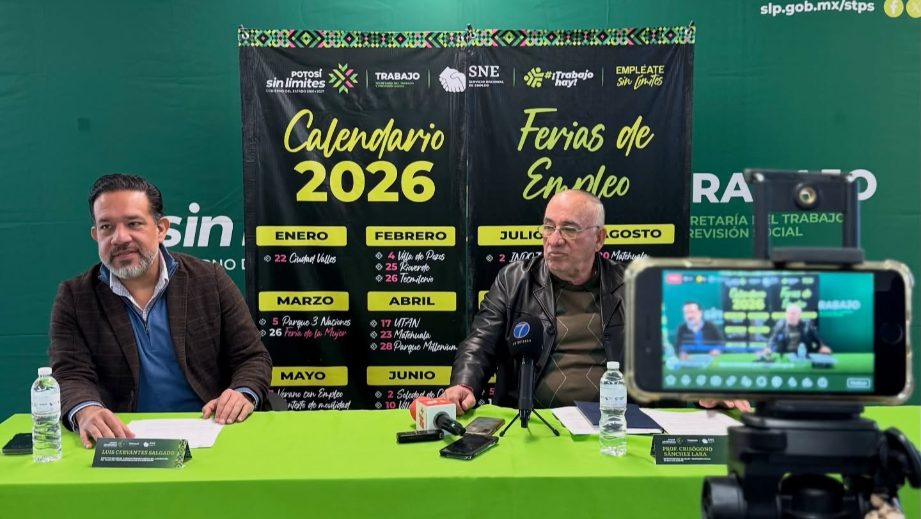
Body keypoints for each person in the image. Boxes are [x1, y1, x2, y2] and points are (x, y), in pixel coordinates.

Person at [444, 190, 749, 414]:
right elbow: (480, 342)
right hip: (533, 424)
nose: (554, 239)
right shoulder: (514, 280)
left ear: (599, 239)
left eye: (569, 229)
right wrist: (464, 384)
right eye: (549, 226)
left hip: (617, 425)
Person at [48, 174, 272, 449]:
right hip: (123, 442)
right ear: (96, 235)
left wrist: (241, 393)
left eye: (133, 223)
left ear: (161, 229)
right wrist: (86, 410)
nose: (120, 238)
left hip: (213, 430)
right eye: (107, 227)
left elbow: (252, 358)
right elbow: (70, 373)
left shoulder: (209, 280)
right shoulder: (74, 297)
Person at [766, 303, 830, 355]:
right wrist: (769, 348)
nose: (790, 316)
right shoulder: (780, 325)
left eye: (793, 314)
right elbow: (772, 339)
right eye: (788, 313)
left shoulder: (807, 326)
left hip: (802, 356)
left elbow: (818, 339)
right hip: (784, 355)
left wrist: (823, 347)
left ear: (799, 316)